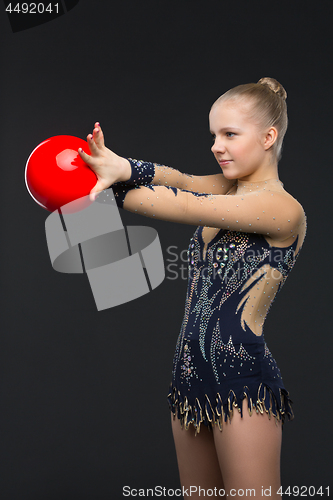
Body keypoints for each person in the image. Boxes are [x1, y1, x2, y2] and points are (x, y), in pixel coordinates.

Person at [78, 77, 307, 499]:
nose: (216, 146)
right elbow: (179, 180)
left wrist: (98, 185)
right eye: (213, 135)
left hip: (241, 384)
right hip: (189, 380)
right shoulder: (229, 188)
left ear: (268, 136)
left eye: (229, 135)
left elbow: (183, 204)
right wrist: (118, 165)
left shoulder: (282, 209)